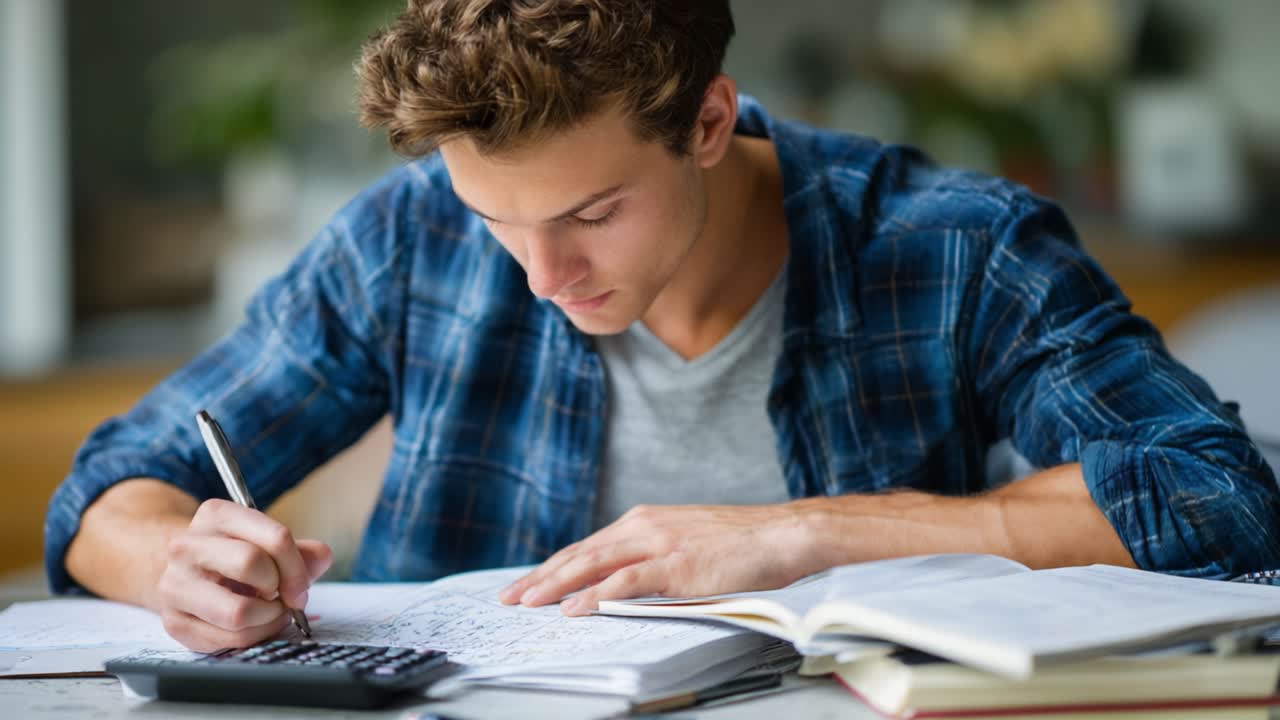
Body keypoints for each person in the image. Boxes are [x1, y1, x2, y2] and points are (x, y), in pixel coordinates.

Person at [47, 0, 1280, 653]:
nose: (540, 275)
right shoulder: (406, 237)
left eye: (589, 212)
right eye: (496, 220)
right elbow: (112, 485)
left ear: (706, 121)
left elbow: (1215, 496)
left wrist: (802, 537)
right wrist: (178, 568)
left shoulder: (954, 244)